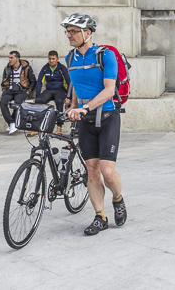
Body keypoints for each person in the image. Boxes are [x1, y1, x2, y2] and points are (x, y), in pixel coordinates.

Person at [62, 13, 127, 236]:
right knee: (92, 171)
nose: (69, 35)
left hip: (107, 117)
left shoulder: (105, 55)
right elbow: (76, 85)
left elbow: (109, 90)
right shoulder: (70, 58)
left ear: (87, 33)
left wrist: (85, 107)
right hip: (85, 120)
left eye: (73, 31)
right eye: (67, 32)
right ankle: (100, 216)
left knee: (107, 172)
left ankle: (118, 199)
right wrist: (73, 106)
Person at [35, 50, 71, 135]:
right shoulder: (45, 68)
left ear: (57, 59)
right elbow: (39, 82)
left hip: (60, 90)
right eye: (49, 59)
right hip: (49, 90)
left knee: (59, 101)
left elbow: (69, 82)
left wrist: (69, 97)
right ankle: (38, 127)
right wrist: (37, 96)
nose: (51, 61)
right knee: (38, 101)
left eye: (53, 59)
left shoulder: (62, 68)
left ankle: (59, 128)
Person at [0, 50, 36, 134]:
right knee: (2, 102)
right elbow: (4, 80)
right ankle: (11, 123)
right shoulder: (7, 68)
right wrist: (4, 89)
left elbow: (33, 81)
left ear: (17, 59)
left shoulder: (26, 67)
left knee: (17, 103)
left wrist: (28, 91)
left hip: (21, 90)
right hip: (10, 90)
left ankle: (12, 123)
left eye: (11, 58)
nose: (9, 60)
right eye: (9, 58)